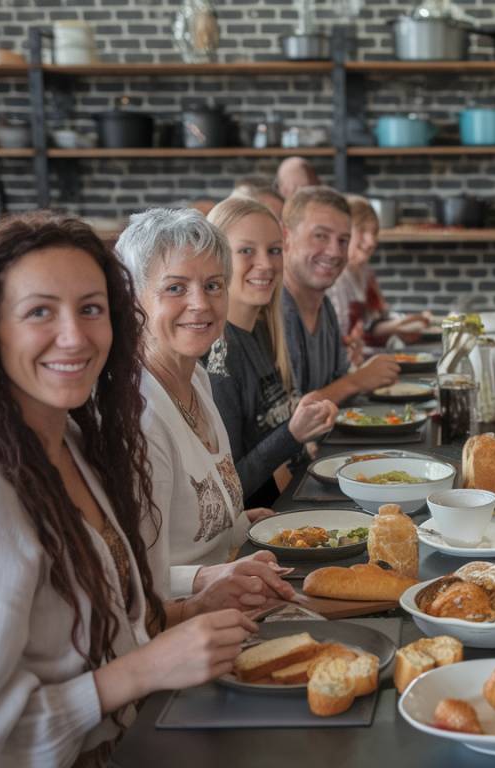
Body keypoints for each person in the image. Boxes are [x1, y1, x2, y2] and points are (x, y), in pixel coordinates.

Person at [0, 214, 256, 766]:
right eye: (40, 312)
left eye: (90, 309)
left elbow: (104, 628)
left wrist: (191, 610)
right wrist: (143, 670)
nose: (74, 335)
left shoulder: (73, 439)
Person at [116, 208, 297, 605]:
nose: (200, 303)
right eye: (176, 288)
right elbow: (128, 577)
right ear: (133, 298)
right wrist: (205, 577)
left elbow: (193, 525)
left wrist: (239, 527)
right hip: (180, 629)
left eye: (213, 285)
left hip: (234, 598)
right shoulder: (139, 414)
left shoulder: (198, 379)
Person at [206, 197, 338, 508]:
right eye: (246, 251)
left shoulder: (264, 330)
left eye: (274, 250)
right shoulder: (218, 356)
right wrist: (293, 434)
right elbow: (232, 489)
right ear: (216, 259)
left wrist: (306, 433)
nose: (266, 264)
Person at [280, 186, 400, 403]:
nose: (335, 251)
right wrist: (356, 381)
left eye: (343, 240)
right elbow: (289, 416)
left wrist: (350, 371)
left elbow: (335, 387)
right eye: (320, 236)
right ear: (285, 238)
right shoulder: (276, 313)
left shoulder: (324, 307)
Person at [328, 194, 430, 362]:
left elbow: (371, 325)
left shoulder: (365, 272)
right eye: (362, 230)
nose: (371, 241)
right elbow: (338, 339)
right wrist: (398, 326)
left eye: (374, 232)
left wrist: (400, 327)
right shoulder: (332, 279)